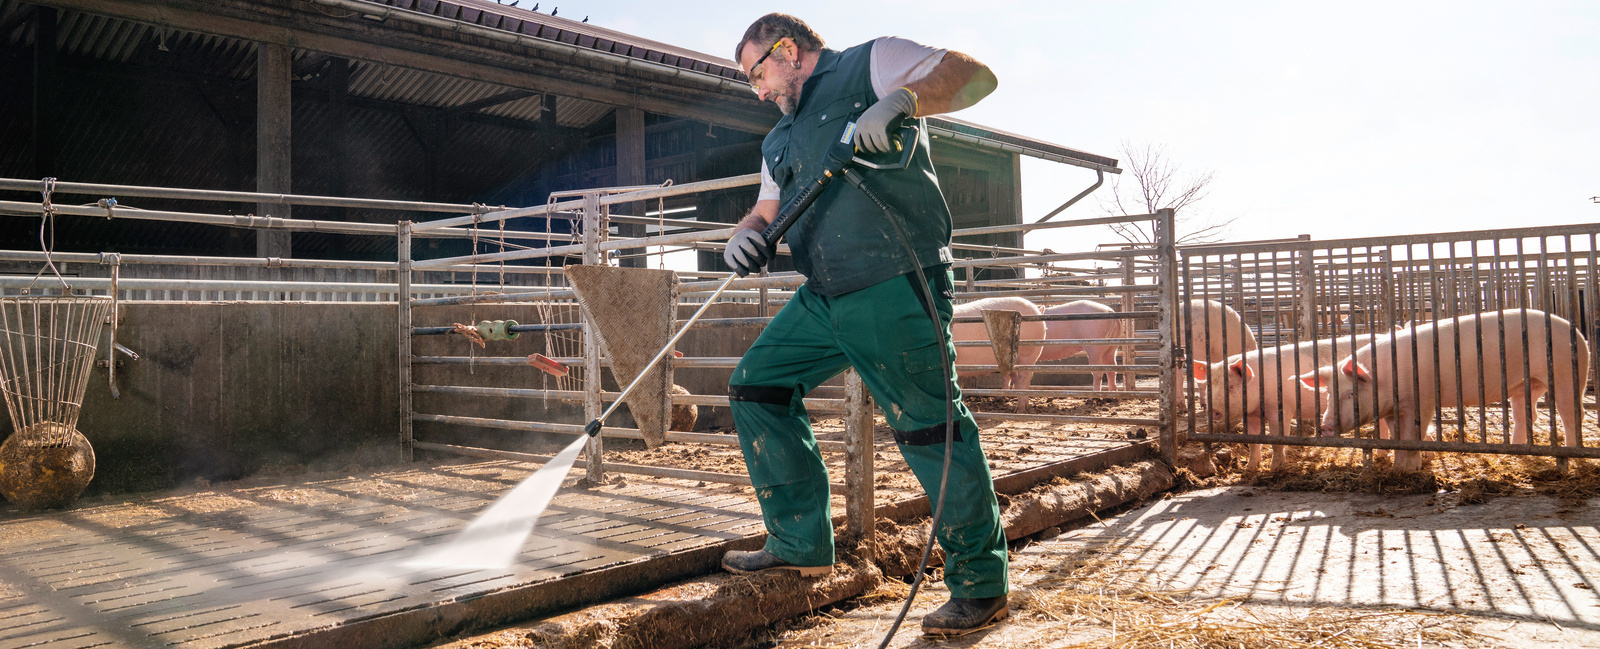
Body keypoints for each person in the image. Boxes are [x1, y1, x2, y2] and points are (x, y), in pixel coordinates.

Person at [720, 13, 1007, 636]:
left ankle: (980, 584)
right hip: (824, 294)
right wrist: (745, 237)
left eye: (758, 73)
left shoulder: (868, 64)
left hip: (893, 283)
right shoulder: (779, 139)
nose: (759, 90)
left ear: (788, 50)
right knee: (756, 385)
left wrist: (901, 100)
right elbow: (768, 210)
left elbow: (974, 77)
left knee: (931, 428)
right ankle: (800, 542)